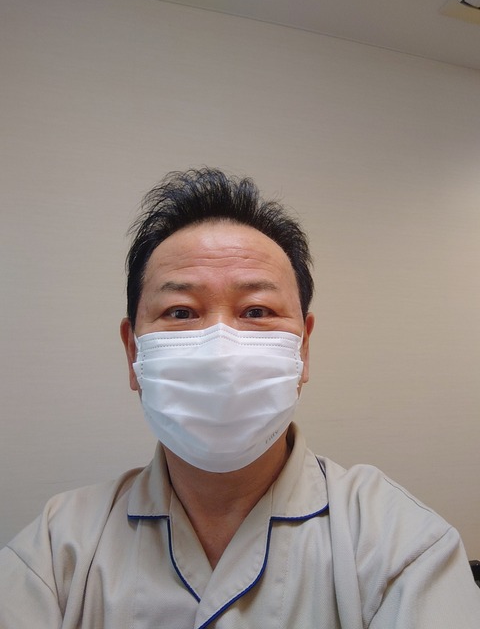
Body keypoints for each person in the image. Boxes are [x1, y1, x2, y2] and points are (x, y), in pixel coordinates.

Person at [0, 168, 479, 628]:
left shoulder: (402, 546)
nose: (220, 351)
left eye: (256, 310)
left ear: (303, 350)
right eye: (181, 311)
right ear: (133, 353)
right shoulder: (55, 551)